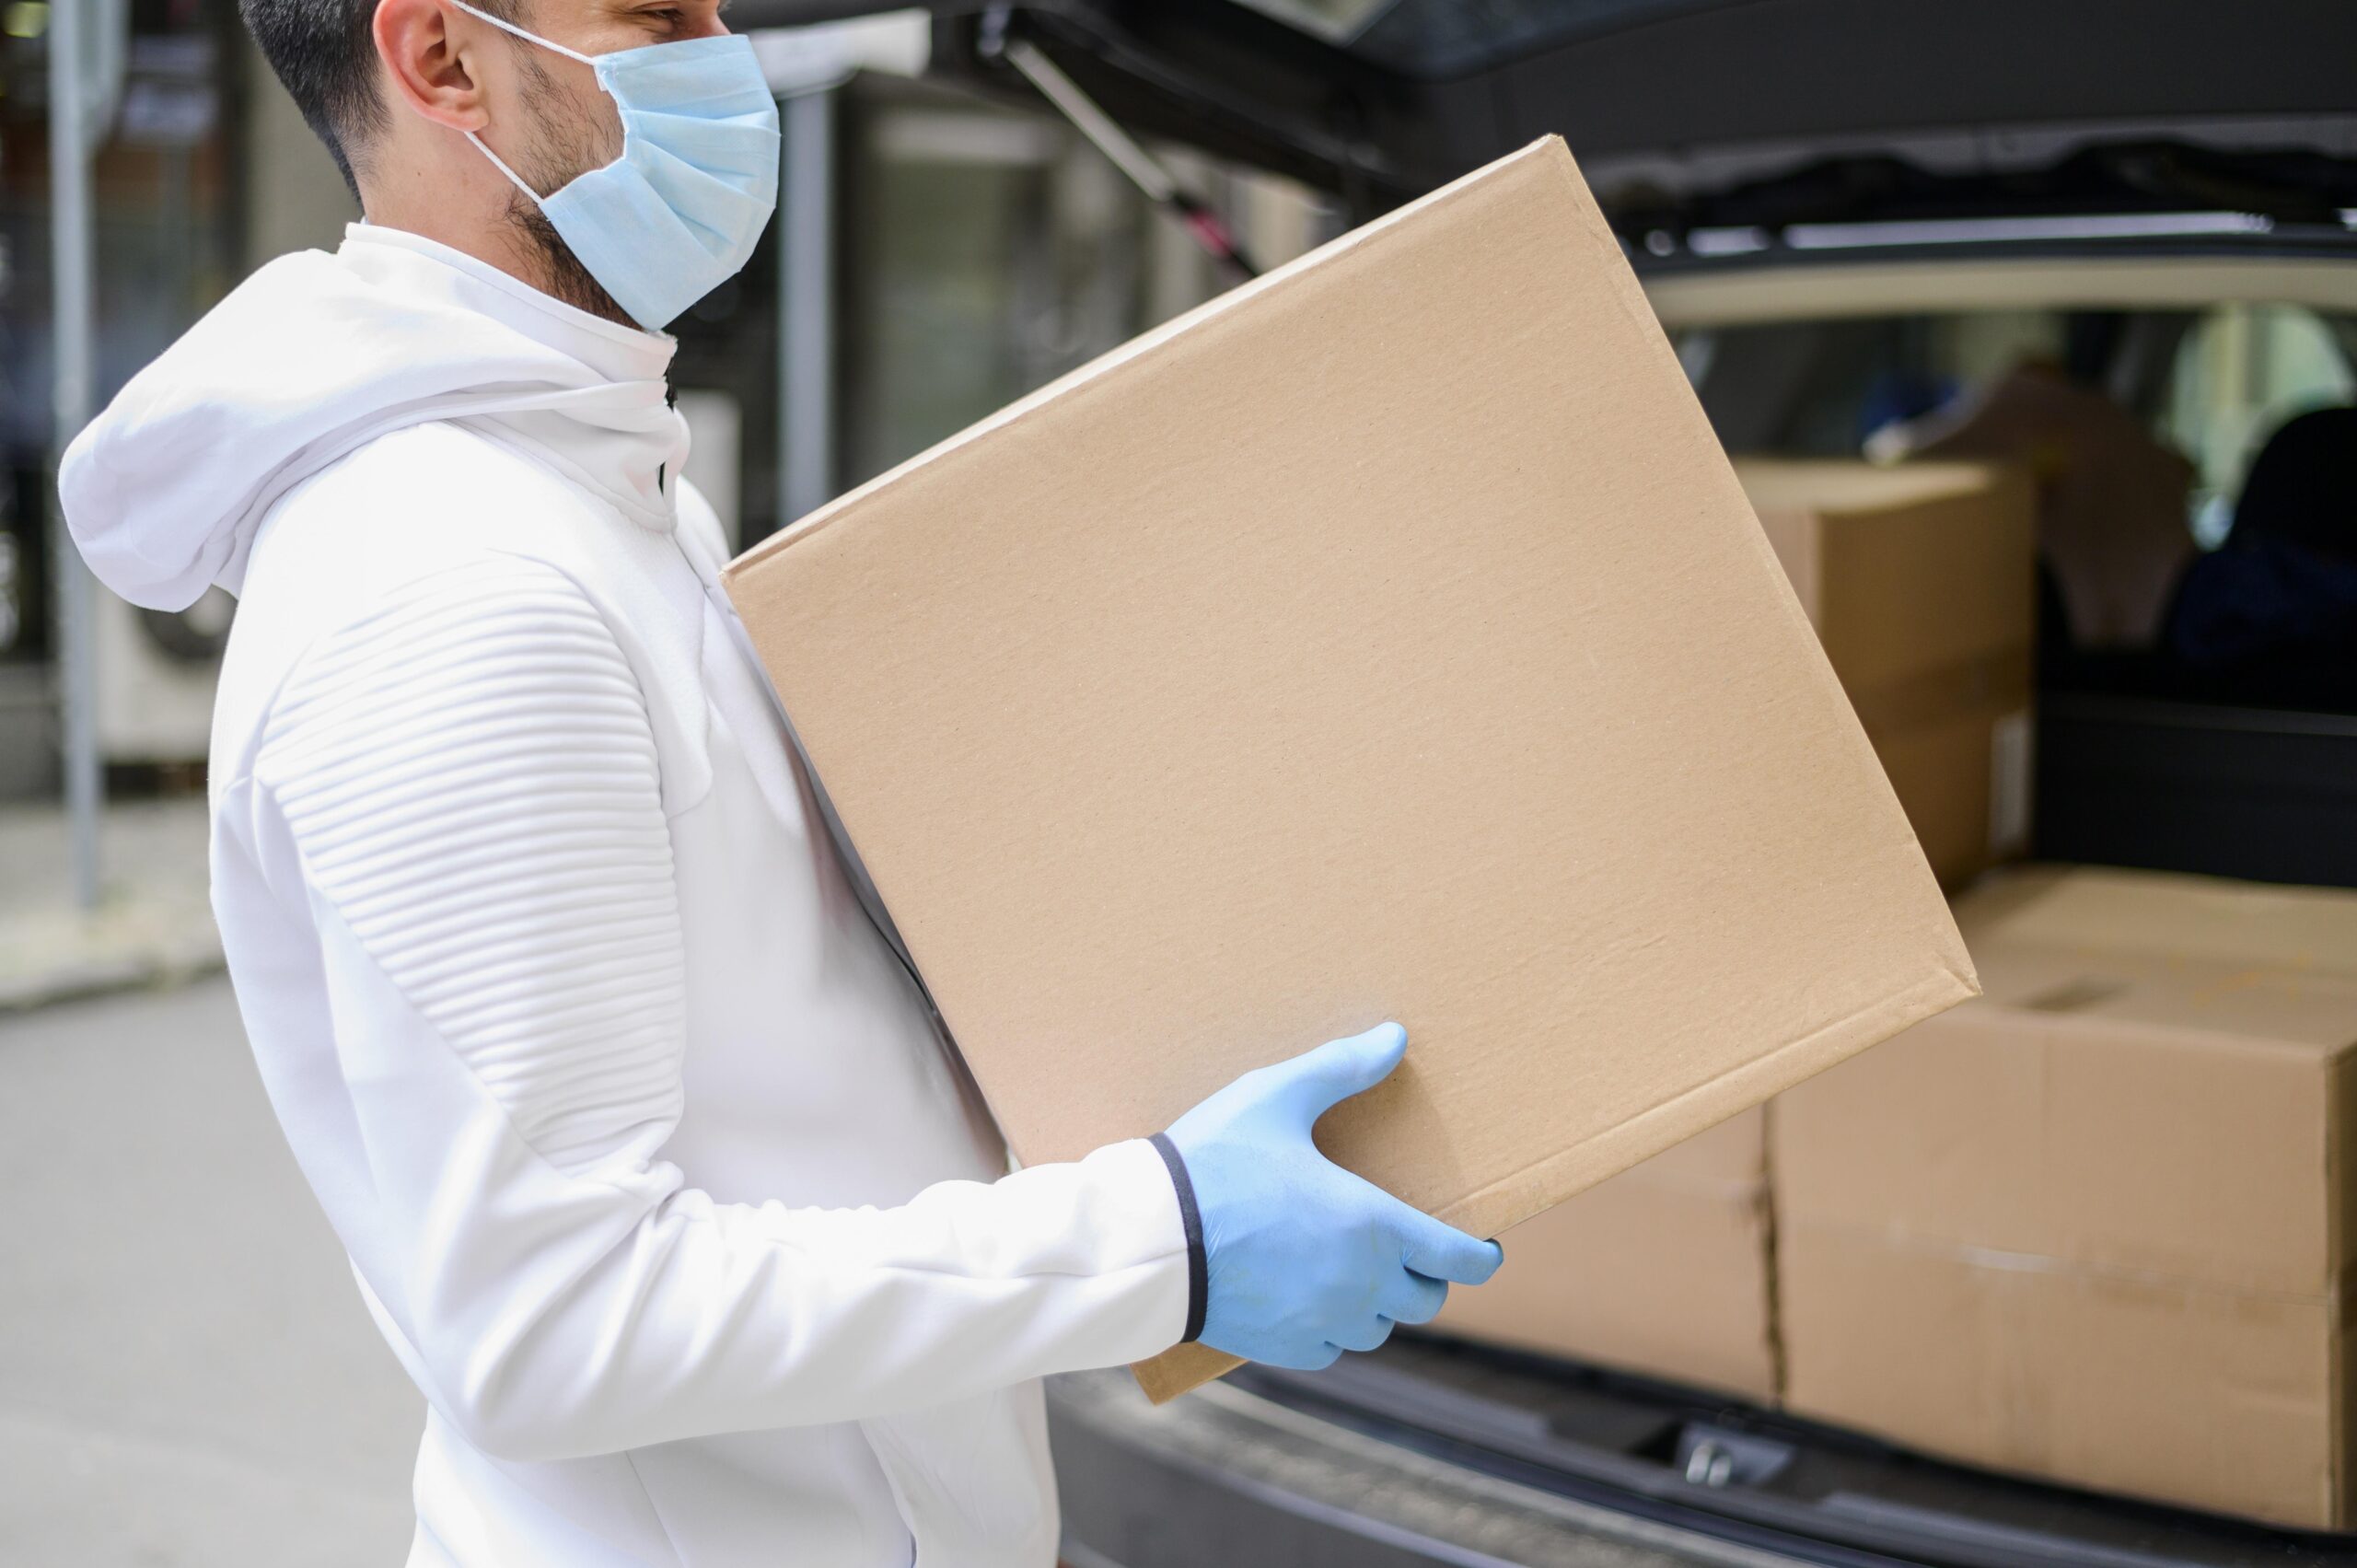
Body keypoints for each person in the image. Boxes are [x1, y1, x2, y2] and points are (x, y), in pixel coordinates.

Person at [58, 2, 1503, 1563]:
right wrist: (1171, 1240)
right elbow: (551, 1322)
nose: (723, 60)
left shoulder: (592, 484)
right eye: (657, 17)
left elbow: (771, 1047)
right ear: (442, 61)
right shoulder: (452, 588)